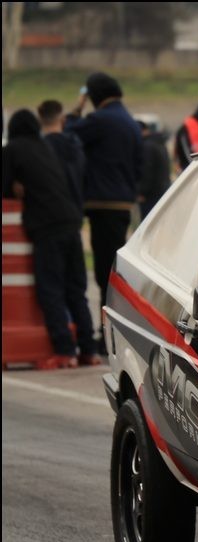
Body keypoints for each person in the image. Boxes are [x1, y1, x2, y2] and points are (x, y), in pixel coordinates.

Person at [2, 110, 101, 369]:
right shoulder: (45, 147)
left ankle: (64, 351)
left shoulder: (12, 149)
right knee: (75, 290)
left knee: (50, 289)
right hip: (71, 223)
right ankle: (88, 350)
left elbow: (5, 188)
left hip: (47, 227)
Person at [64, 71, 142, 352]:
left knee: (103, 272)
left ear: (94, 96)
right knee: (112, 267)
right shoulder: (130, 121)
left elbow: (67, 134)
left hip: (103, 202)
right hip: (122, 202)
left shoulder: (101, 120)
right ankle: (110, 330)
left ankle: (107, 334)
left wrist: (77, 108)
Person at [36, 99, 85, 211]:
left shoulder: (36, 148)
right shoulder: (75, 145)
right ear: (63, 120)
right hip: (74, 209)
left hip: (45, 210)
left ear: (39, 120)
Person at [137, 119, 171, 220]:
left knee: (148, 222)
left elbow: (146, 171)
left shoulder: (146, 146)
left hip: (150, 196)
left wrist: (142, 192)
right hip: (162, 191)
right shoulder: (159, 143)